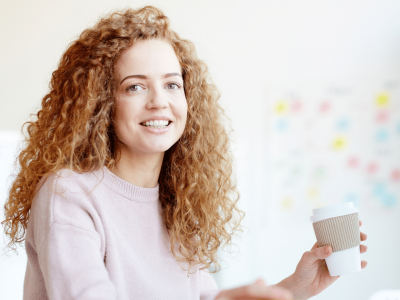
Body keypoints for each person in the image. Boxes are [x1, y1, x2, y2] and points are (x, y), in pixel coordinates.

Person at [1, 6, 368, 300]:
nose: (159, 101)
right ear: (101, 104)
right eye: (135, 87)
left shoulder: (177, 200)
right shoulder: (68, 194)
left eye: (172, 84)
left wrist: (296, 287)